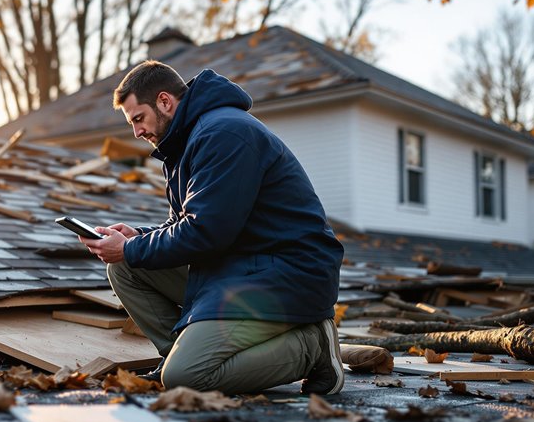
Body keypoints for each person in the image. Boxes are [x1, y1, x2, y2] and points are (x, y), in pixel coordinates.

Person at [78, 60, 346, 395]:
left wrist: (131, 247)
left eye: (138, 119)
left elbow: (206, 232)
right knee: (125, 267)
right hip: (237, 269)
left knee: (186, 378)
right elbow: (188, 224)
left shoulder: (224, 133)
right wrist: (137, 238)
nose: (136, 132)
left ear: (164, 102)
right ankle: (180, 352)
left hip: (286, 276)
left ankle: (313, 345)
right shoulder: (185, 142)